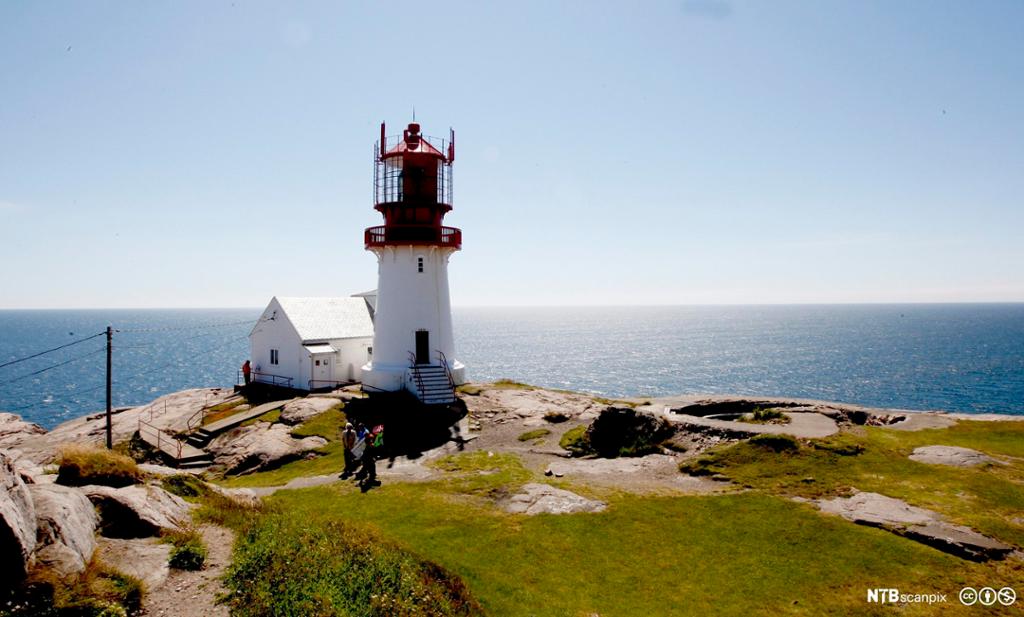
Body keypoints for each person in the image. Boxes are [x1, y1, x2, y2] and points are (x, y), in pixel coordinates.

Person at [359, 424, 384, 490]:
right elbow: (372, 452)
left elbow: (372, 451)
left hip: (367, 459)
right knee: (371, 469)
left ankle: (369, 478)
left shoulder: (368, 444)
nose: (371, 440)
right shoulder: (369, 445)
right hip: (368, 460)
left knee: (370, 469)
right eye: (371, 439)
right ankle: (371, 480)